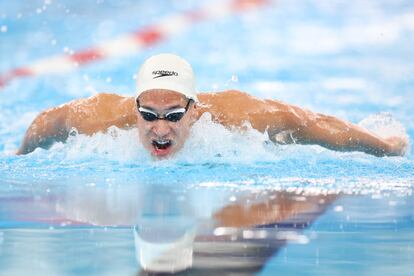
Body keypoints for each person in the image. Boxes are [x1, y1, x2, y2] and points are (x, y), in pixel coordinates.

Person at [17, 53, 408, 157]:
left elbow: (311, 123)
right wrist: (17, 155)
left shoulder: (238, 117)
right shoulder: (100, 117)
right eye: (148, 115)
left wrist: (385, 145)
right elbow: (48, 122)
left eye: (173, 115)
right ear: (134, 107)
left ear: (193, 109)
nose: (160, 128)